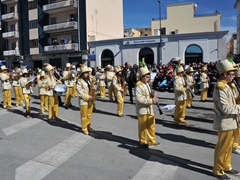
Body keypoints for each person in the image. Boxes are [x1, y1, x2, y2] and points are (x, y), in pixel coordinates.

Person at [212, 59, 240, 179]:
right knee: (222, 147)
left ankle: (226, 166)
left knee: (228, 147)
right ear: (225, 74)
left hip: (231, 122)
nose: (233, 76)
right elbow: (226, 109)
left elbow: (231, 101)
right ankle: (218, 170)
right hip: (225, 122)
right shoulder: (220, 88)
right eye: (232, 74)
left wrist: (238, 98)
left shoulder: (227, 86)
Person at [135, 64, 160, 147]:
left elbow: (148, 94)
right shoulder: (138, 85)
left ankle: (152, 140)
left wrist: (152, 94)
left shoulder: (147, 84)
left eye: (149, 77)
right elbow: (139, 99)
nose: (148, 78)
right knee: (143, 127)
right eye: (146, 77)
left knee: (151, 125)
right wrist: (151, 100)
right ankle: (143, 141)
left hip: (150, 109)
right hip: (142, 110)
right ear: (141, 77)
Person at [77, 64, 95, 135]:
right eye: (86, 73)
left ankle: (88, 126)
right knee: (84, 116)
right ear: (82, 74)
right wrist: (87, 96)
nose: (88, 74)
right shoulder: (79, 81)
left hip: (90, 99)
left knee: (89, 115)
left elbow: (91, 87)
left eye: (88, 72)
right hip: (84, 101)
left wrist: (94, 89)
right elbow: (79, 91)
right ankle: (84, 128)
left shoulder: (89, 80)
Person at [230, 69, 240, 155]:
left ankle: (236, 143)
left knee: (238, 129)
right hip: (236, 110)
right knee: (235, 129)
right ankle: (234, 146)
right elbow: (232, 100)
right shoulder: (233, 86)